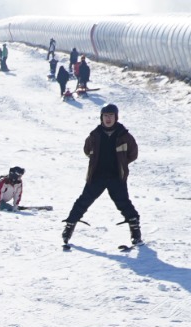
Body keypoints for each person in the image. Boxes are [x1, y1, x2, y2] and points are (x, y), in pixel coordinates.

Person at [60, 103, 141, 251]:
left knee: (123, 203)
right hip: (97, 176)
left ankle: (135, 231)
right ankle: (69, 227)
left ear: (116, 117)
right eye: (105, 116)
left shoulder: (124, 135)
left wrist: (122, 163)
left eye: (111, 116)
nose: (108, 119)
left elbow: (133, 154)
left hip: (117, 177)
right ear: (101, 118)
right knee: (83, 201)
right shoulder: (94, 135)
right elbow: (86, 150)